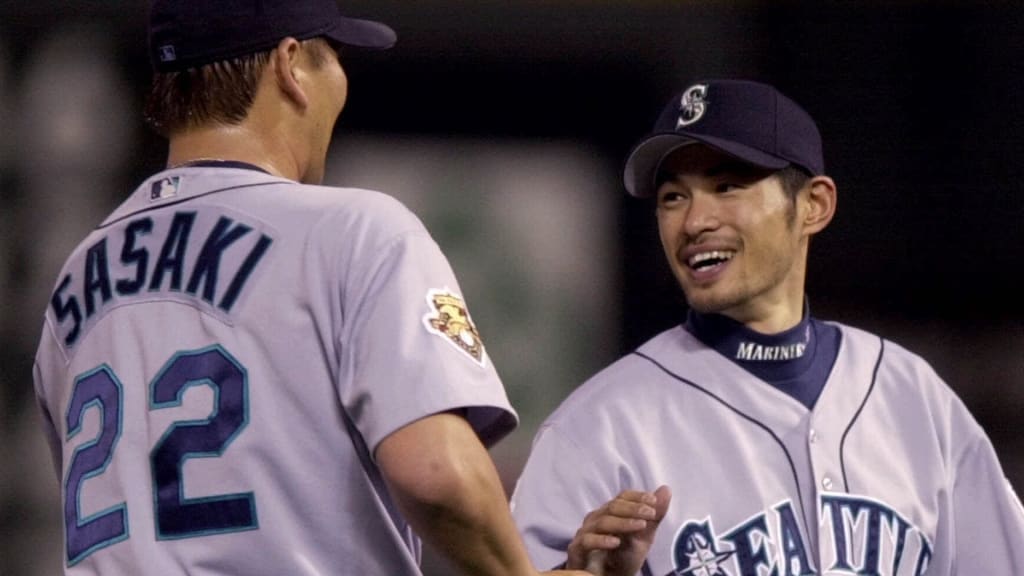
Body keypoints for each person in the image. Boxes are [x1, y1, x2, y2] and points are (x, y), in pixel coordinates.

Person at [31, 2, 590, 575]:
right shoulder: (352, 231)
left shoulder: (75, 282)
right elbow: (435, 474)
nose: (340, 83)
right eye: (335, 58)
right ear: (290, 65)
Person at [509, 79, 1024, 576]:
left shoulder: (914, 398)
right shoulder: (597, 428)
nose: (693, 222)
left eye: (726, 186)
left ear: (813, 206)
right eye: (672, 197)